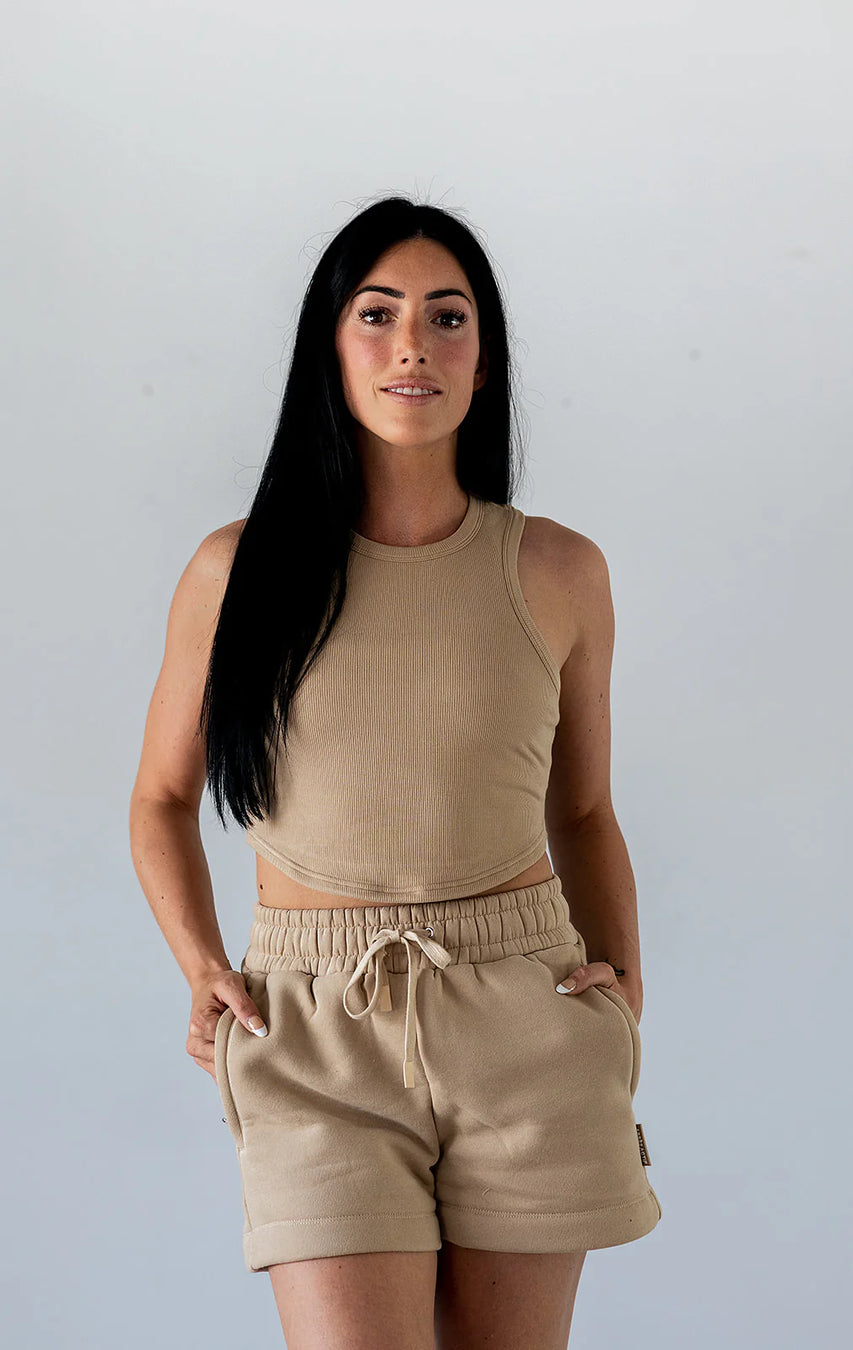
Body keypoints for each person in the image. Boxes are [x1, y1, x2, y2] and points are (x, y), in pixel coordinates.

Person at [129, 195, 661, 1350]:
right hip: (314, 1023)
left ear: (485, 360)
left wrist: (624, 994)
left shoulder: (560, 570)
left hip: (527, 1012)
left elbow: (583, 809)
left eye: (447, 317)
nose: (412, 344)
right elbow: (161, 798)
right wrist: (202, 965)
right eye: (376, 314)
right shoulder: (235, 573)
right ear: (328, 347)